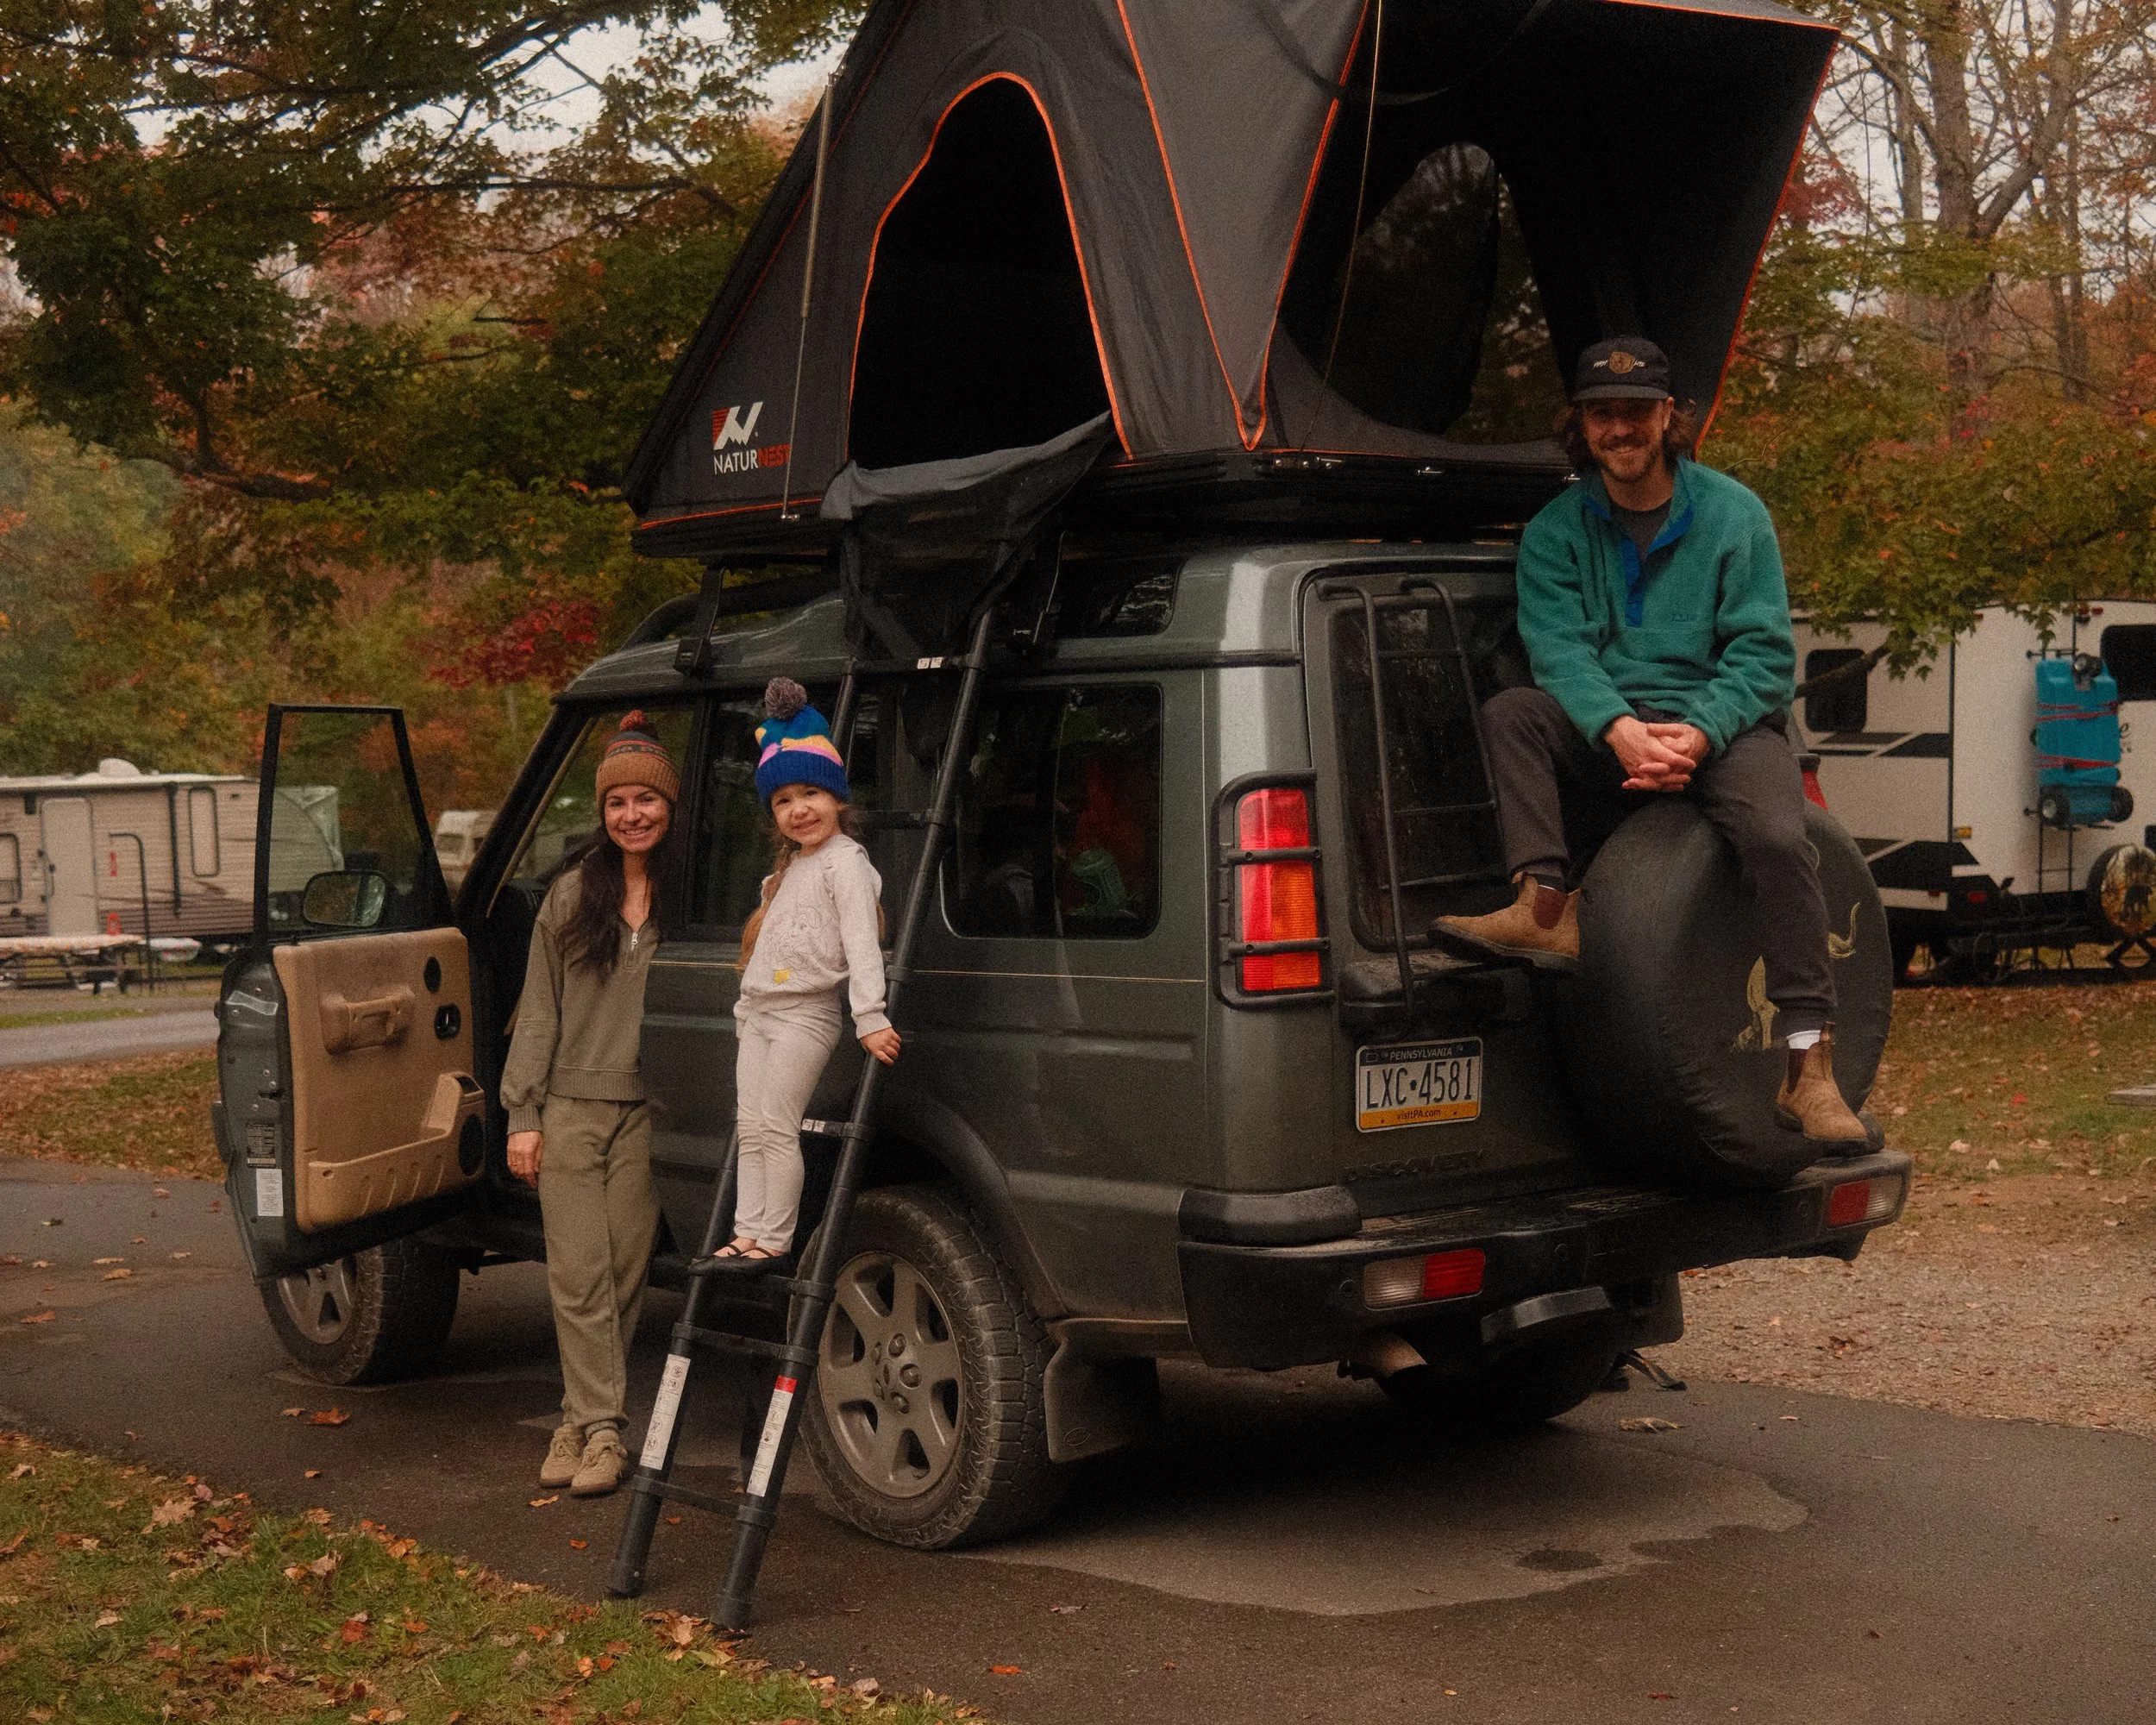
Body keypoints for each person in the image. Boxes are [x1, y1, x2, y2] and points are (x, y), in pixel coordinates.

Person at [1435, 336, 1867, 1146]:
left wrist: (1699, 732)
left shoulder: (1735, 514)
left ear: (1670, 417)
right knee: (1514, 713)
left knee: (1780, 838)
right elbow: (1558, 649)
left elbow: (1765, 654)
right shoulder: (1556, 532)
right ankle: (1544, 907)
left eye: (1638, 412)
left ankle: (1810, 1066)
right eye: (1604, 413)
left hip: (1725, 726)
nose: (1621, 428)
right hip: (1617, 728)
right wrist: (1620, 730)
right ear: (1582, 425)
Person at [499, 712, 678, 1496]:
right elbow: (539, 1010)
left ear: (669, 806)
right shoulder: (571, 894)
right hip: (569, 1107)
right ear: (601, 814)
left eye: (647, 800)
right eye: (617, 803)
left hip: (648, 1111)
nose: (632, 814)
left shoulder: (690, 896)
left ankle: (577, 1419)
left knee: (625, 1273)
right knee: (578, 1273)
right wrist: (523, 1116)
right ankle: (606, 1432)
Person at [704, 678, 899, 1273]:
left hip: (806, 1014)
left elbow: (863, 945)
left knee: (779, 1124)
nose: (799, 809)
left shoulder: (847, 864)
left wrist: (869, 1015)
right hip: (760, 1013)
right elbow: (762, 958)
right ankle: (746, 1231)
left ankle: (775, 1237)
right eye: (784, 801)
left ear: (838, 798)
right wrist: (743, 1014)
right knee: (751, 1126)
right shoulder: (788, 869)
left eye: (811, 792)